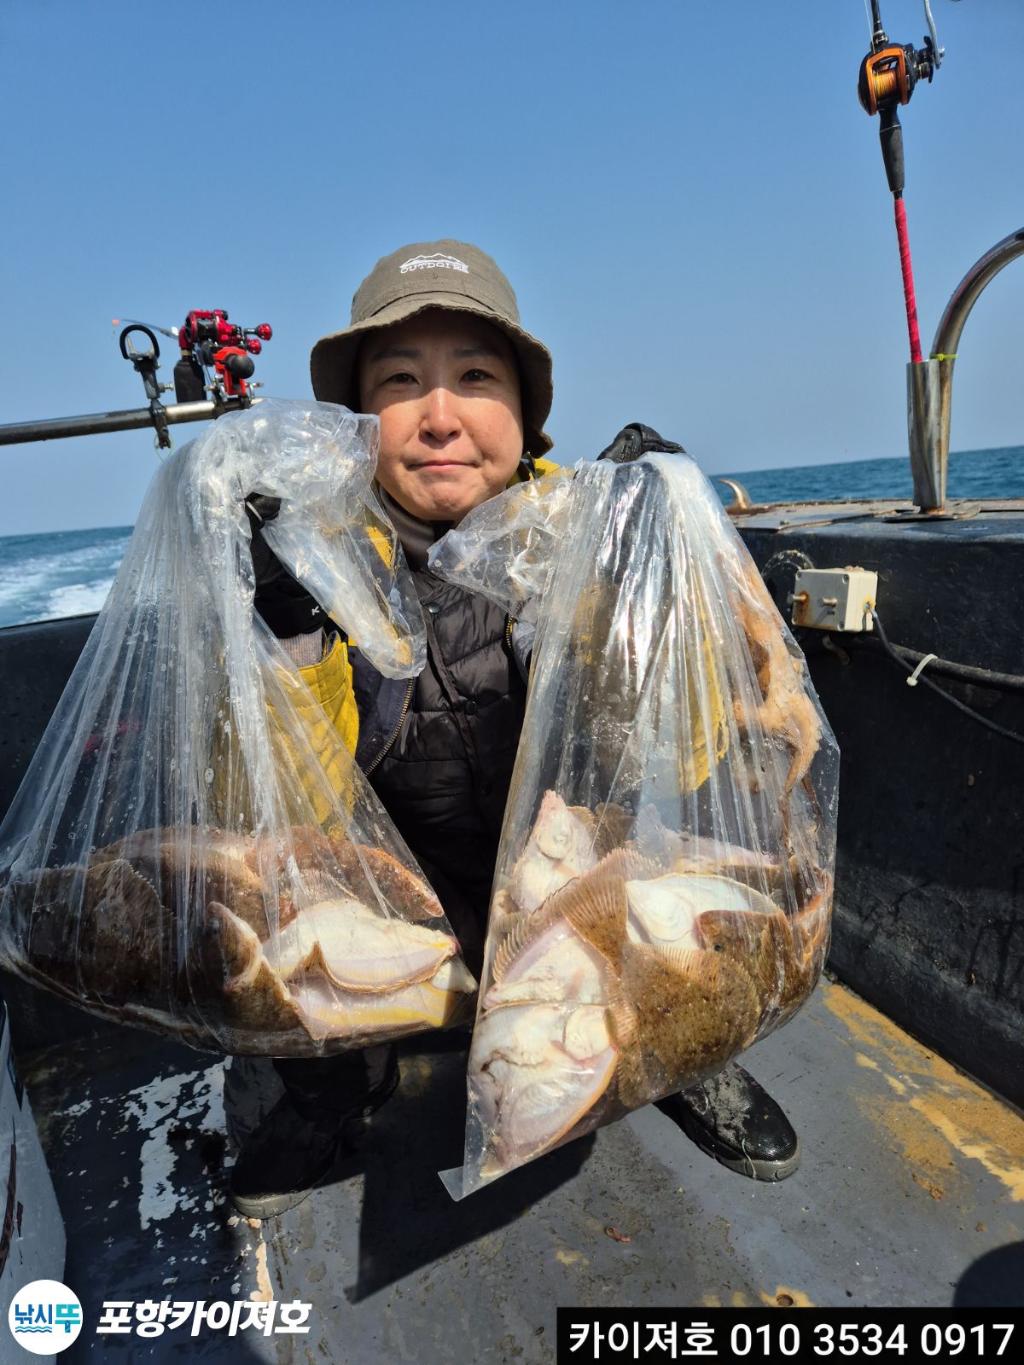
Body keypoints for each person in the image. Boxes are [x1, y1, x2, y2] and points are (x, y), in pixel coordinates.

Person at [230, 240, 799, 1218]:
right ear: (356, 425)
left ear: (526, 413)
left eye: (475, 378)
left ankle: (680, 1053)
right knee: (250, 889)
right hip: (402, 895)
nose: (440, 415)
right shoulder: (314, 554)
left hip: (570, 881)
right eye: (400, 381)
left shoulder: (579, 531)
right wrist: (288, 623)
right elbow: (289, 794)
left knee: (670, 875)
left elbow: (680, 762)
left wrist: (653, 579)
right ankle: (334, 1090)